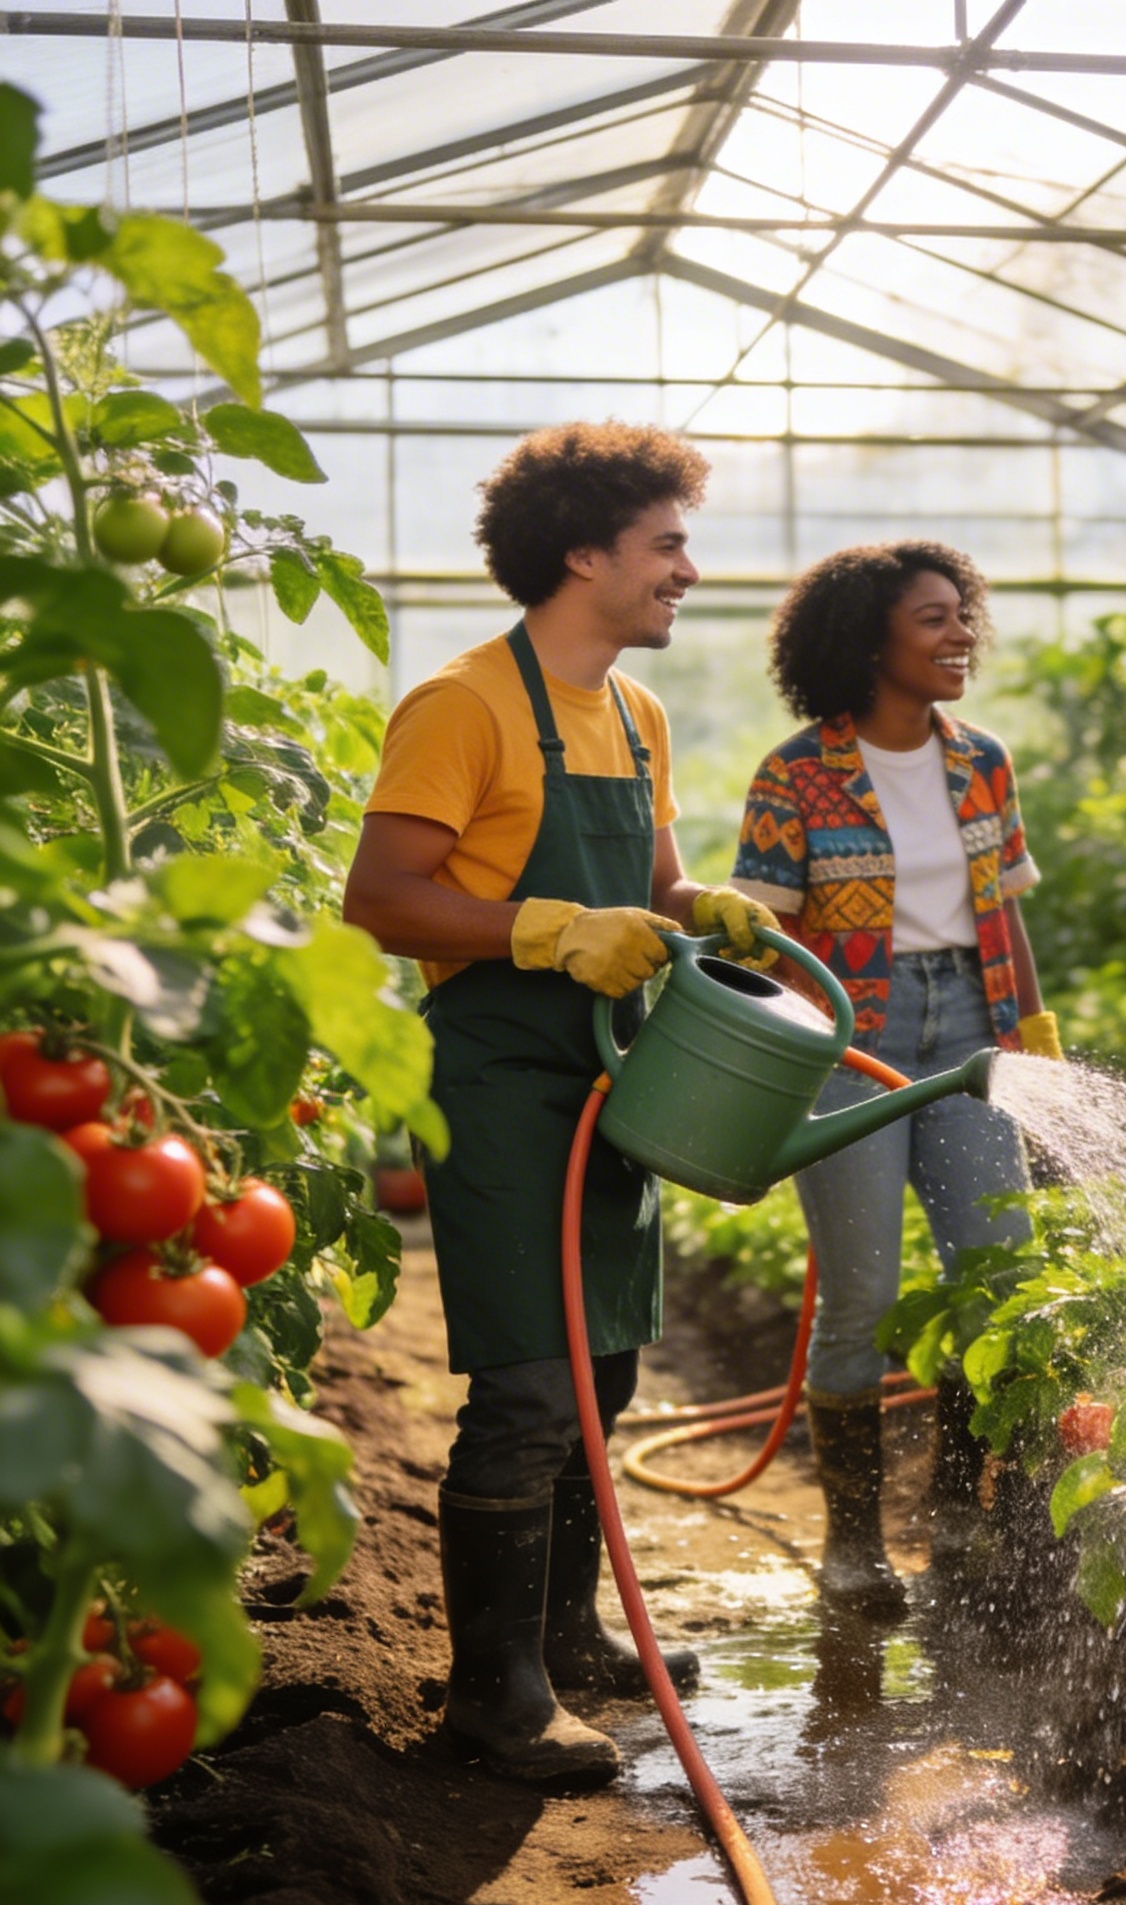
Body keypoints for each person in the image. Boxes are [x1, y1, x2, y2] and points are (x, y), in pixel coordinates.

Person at [342, 423, 781, 1786]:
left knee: (607, 1367)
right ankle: (493, 1694)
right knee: (531, 1384)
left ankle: (568, 1637)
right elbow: (379, 898)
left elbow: (649, 886)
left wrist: (700, 907)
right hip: (499, 1074)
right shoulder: (463, 705)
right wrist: (543, 928)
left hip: (613, 1069)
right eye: (668, 546)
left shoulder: (635, 715)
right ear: (584, 555)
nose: (687, 572)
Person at [728, 541, 1060, 1618]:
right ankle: (854, 1541)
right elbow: (766, 940)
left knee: (995, 1277)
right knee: (863, 1296)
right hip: (845, 1043)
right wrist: (778, 1060)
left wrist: (1036, 1036)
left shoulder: (982, 761)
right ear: (869, 640)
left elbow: (1005, 910)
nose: (962, 634)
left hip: (968, 1024)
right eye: (934, 618)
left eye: (964, 613)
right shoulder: (794, 774)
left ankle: (959, 1508)